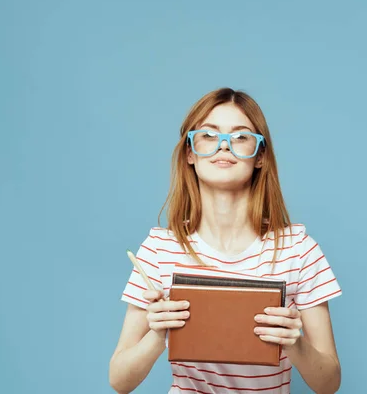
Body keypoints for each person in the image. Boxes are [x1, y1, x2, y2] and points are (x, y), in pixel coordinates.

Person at [109, 87, 342, 394]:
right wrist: (158, 335)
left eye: (240, 136)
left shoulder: (298, 249)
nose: (223, 146)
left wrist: (295, 344)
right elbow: (119, 380)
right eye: (208, 135)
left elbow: (329, 384)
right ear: (190, 153)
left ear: (260, 156)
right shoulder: (159, 250)